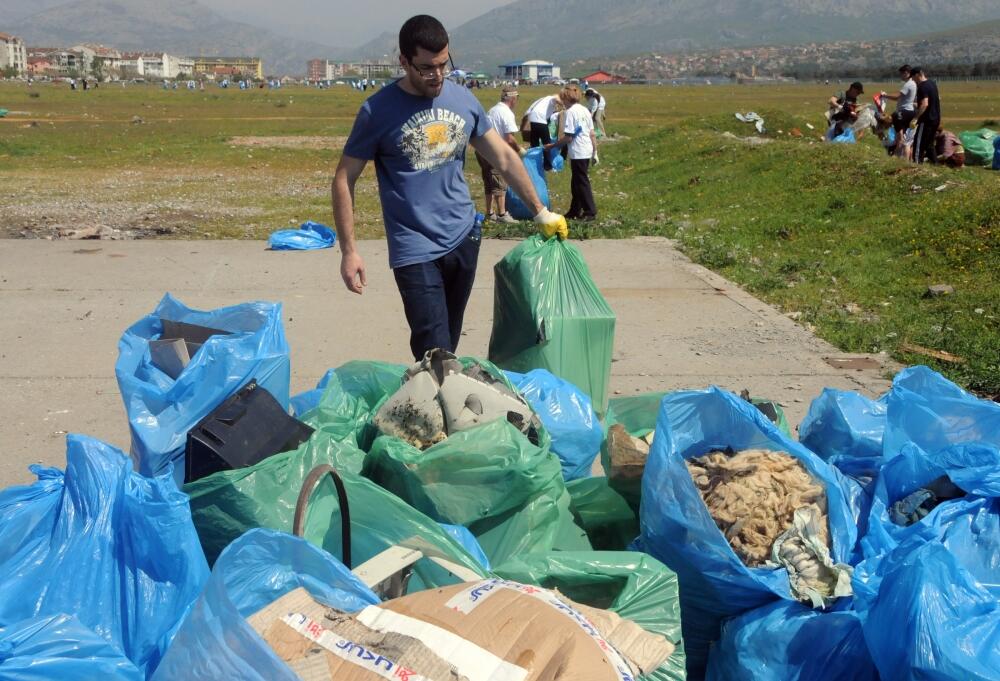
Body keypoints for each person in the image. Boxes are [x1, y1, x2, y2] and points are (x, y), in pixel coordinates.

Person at [331, 15, 567, 361]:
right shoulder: (377, 111)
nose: (437, 75)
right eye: (427, 68)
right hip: (414, 248)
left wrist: (540, 211)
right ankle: (435, 407)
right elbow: (343, 178)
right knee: (435, 352)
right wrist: (348, 250)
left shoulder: (462, 99)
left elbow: (502, 155)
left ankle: (438, 406)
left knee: (449, 346)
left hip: (463, 238)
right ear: (403, 62)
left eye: (443, 65)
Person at [545, 84, 597, 221]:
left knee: (581, 182)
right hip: (586, 148)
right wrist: (595, 151)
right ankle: (575, 210)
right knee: (576, 182)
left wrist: (553, 146)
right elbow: (592, 133)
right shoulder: (585, 110)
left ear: (566, 99)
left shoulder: (571, 112)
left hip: (579, 150)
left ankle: (590, 211)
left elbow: (568, 136)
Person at [476, 85, 522, 223]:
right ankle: (502, 214)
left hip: (482, 149)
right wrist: (519, 150)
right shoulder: (507, 113)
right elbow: (509, 138)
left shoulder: (493, 110)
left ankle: (490, 213)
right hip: (495, 151)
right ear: (513, 99)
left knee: (488, 182)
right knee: (499, 181)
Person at [523, 91, 565, 169]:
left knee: (534, 144)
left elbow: (528, 112)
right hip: (540, 120)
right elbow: (556, 98)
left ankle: (534, 162)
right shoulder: (551, 98)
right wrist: (564, 105)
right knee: (547, 144)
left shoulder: (543, 100)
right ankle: (547, 164)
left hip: (532, 120)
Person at [910, 67, 941, 164]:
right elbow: (937, 99)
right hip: (936, 118)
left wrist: (915, 118)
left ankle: (917, 165)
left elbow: (925, 104)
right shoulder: (932, 83)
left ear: (918, 75)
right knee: (929, 144)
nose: (913, 80)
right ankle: (935, 164)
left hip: (926, 120)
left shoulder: (922, 87)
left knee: (918, 144)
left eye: (913, 78)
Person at [883, 65, 917, 138]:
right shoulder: (913, 83)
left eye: (901, 74)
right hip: (910, 111)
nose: (900, 76)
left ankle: (898, 145)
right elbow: (898, 99)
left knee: (899, 134)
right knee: (905, 134)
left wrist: (885, 95)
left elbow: (897, 96)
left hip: (904, 111)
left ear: (906, 73)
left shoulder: (908, 84)